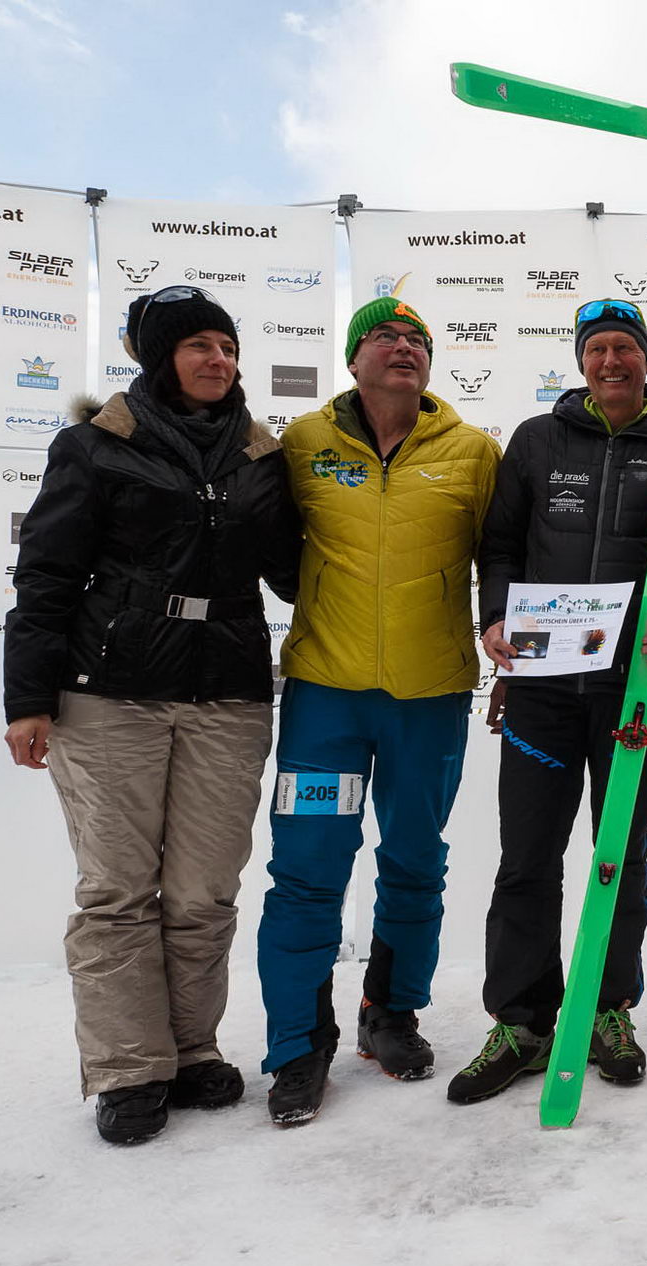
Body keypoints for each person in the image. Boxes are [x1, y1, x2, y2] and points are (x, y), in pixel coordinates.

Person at [2, 285, 298, 1143]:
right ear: (159, 356)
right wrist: (29, 698)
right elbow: (46, 577)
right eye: (199, 345)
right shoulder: (94, 447)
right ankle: (132, 1068)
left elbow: (298, 571)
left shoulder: (259, 458)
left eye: (227, 346)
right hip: (108, 695)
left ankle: (193, 1048)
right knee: (118, 890)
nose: (218, 360)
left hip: (229, 694)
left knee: (204, 891)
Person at [448, 300, 647, 1103]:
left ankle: (609, 1008)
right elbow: (501, 545)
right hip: (543, 691)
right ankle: (522, 1020)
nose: (611, 362)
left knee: (620, 856)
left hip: (636, 695)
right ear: (581, 362)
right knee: (528, 860)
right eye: (597, 350)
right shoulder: (538, 441)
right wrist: (497, 618)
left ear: (646, 359)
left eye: (625, 349)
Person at [257, 296, 501, 1125]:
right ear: (354, 358)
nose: (403, 348)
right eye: (385, 338)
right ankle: (297, 1043)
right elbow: (268, 546)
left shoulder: (473, 453)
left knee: (412, 859)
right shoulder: (302, 444)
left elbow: (503, 563)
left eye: (417, 341)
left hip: (431, 696)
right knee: (307, 871)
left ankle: (390, 1014)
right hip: (326, 693)